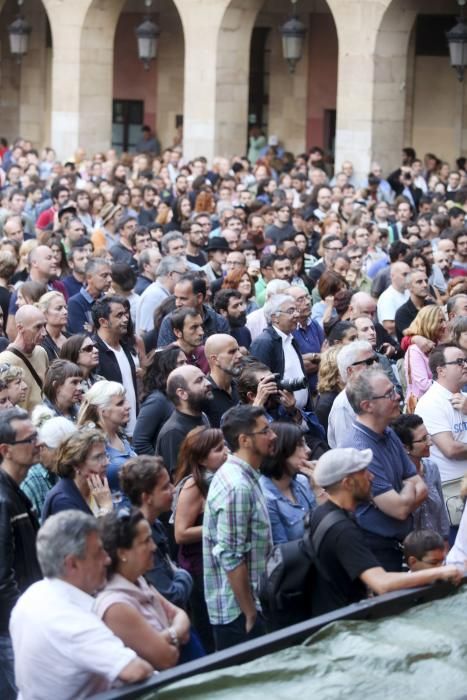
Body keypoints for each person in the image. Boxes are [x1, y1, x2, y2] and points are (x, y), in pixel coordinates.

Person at [10, 511, 153, 700]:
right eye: (98, 553)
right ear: (72, 564)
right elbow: (135, 670)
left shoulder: (31, 597)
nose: (107, 559)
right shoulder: (70, 620)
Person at [308, 447, 461, 617]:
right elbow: (381, 583)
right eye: (364, 472)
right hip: (343, 626)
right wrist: (441, 571)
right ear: (347, 483)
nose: (371, 476)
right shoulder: (342, 530)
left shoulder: (322, 513)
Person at [203, 405, 276, 650]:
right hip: (239, 615)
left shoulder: (242, 476)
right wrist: (250, 613)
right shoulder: (237, 487)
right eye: (265, 431)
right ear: (244, 440)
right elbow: (231, 557)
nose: (273, 436)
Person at [342, 369, 428, 571]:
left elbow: (422, 488)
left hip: (399, 544)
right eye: (389, 394)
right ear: (367, 405)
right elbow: (399, 509)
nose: (398, 396)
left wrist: (405, 497)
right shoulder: (359, 449)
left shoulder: (388, 432)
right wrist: (409, 488)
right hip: (376, 552)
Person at [95, 507, 201, 669]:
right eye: (145, 541)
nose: (153, 547)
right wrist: (176, 632)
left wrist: (167, 636)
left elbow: (180, 614)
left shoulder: (138, 580)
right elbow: (167, 657)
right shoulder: (114, 605)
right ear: (123, 553)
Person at [173, 426, 227, 653]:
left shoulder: (220, 477)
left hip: (217, 562)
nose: (225, 452)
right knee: (209, 632)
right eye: (218, 450)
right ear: (202, 460)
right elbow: (181, 533)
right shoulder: (193, 486)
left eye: (225, 446)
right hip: (199, 569)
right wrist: (219, 526)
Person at [0, 408, 42, 699]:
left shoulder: (14, 491)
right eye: (29, 440)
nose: (38, 444)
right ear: (6, 450)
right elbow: (2, 578)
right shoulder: (2, 500)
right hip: (14, 630)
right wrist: (27, 621)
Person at [120, 456, 193, 609]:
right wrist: (184, 575)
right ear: (147, 497)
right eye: (165, 487)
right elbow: (173, 595)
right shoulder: (141, 538)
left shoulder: (156, 524)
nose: (173, 490)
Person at [392, 414, 450, 543]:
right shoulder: (395, 477)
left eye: (428, 436)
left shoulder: (431, 468)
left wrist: (445, 541)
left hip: (436, 549)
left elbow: (442, 514)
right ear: (405, 447)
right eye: (423, 439)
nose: (430, 442)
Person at [415, 343, 467, 482]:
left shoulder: (465, 397)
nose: (466, 365)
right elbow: (451, 449)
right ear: (441, 370)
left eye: (466, 360)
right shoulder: (430, 403)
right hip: (453, 485)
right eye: (459, 362)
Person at [259, 422, 317, 544]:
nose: (308, 450)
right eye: (300, 445)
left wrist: (318, 488)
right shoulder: (266, 498)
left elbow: (325, 523)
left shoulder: (302, 481)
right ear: (282, 449)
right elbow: (283, 550)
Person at [250, 294, 308, 409]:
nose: (297, 314)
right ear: (274, 318)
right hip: (281, 418)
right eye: (291, 311)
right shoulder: (263, 343)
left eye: (296, 310)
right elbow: (261, 384)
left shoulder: (291, 339)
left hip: (300, 415)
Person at [78, 380, 135, 494]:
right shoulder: (92, 445)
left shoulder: (119, 433)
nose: (128, 406)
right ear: (103, 411)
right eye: (120, 403)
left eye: (126, 400)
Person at [41, 429, 113, 520]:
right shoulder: (62, 501)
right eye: (98, 457)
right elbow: (89, 534)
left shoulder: (98, 488)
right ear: (76, 465)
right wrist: (106, 509)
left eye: (105, 455)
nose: (107, 462)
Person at [92, 295, 138, 438]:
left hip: (133, 427)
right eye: (119, 315)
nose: (126, 319)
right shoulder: (93, 352)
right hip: (112, 433)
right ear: (103, 321)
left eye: (126, 314)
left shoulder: (125, 346)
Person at [155, 365, 213, 475]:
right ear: (182, 393)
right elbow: (180, 481)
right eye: (199, 380)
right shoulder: (173, 432)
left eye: (205, 377)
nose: (208, 383)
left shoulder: (203, 416)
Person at [20, 415, 77, 522]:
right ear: (42, 448)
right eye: (59, 453)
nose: (65, 459)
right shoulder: (30, 481)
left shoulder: (61, 470)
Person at [133, 346, 186, 455]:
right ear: (166, 369)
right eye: (181, 363)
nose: (186, 366)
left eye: (186, 362)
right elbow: (139, 442)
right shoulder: (157, 400)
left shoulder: (178, 394)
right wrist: (161, 466)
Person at [327, 340, 378, 448]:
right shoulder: (343, 405)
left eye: (376, 359)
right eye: (369, 362)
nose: (375, 365)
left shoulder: (376, 392)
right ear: (350, 370)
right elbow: (347, 452)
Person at [157, 273, 229, 347]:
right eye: (176, 298)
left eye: (183, 298)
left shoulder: (219, 322)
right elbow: (165, 356)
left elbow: (226, 353)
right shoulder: (169, 321)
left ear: (199, 298)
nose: (177, 303)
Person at [0, 305, 48, 412]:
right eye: (38, 327)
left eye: (45, 325)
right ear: (20, 328)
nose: (44, 333)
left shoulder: (41, 352)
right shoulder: (4, 360)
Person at [403, 305, 447, 403]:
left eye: (444, 320)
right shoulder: (415, 350)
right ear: (428, 323)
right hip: (423, 404)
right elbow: (424, 385)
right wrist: (450, 383)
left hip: (442, 401)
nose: (445, 325)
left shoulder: (441, 344)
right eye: (440, 321)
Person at [136, 255, 188, 334]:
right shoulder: (154, 295)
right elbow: (149, 333)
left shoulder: (160, 293)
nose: (186, 278)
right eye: (183, 274)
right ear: (171, 275)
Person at [203, 333, 243, 428]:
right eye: (232, 352)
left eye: (238, 350)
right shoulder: (203, 393)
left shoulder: (241, 387)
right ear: (215, 359)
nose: (240, 355)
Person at [67, 258, 112, 334]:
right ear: (89, 277)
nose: (110, 279)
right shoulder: (75, 303)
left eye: (110, 275)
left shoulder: (108, 300)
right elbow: (83, 335)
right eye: (104, 275)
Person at [394, 269, 435, 342]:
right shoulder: (402, 313)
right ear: (409, 287)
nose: (425, 285)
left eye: (426, 281)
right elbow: (412, 337)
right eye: (419, 282)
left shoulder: (432, 305)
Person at [376, 261, 411, 338]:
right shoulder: (387, 297)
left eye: (409, 275)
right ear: (392, 276)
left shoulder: (409, 292)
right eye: (404, 274)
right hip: (398, 343)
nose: (408, 278)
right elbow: (389, 327)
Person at [37, 291, 70, 361]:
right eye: (59, 308)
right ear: (44, 313)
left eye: (65, 307)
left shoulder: (71, 338)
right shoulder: (39, 342)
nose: (65, 312)